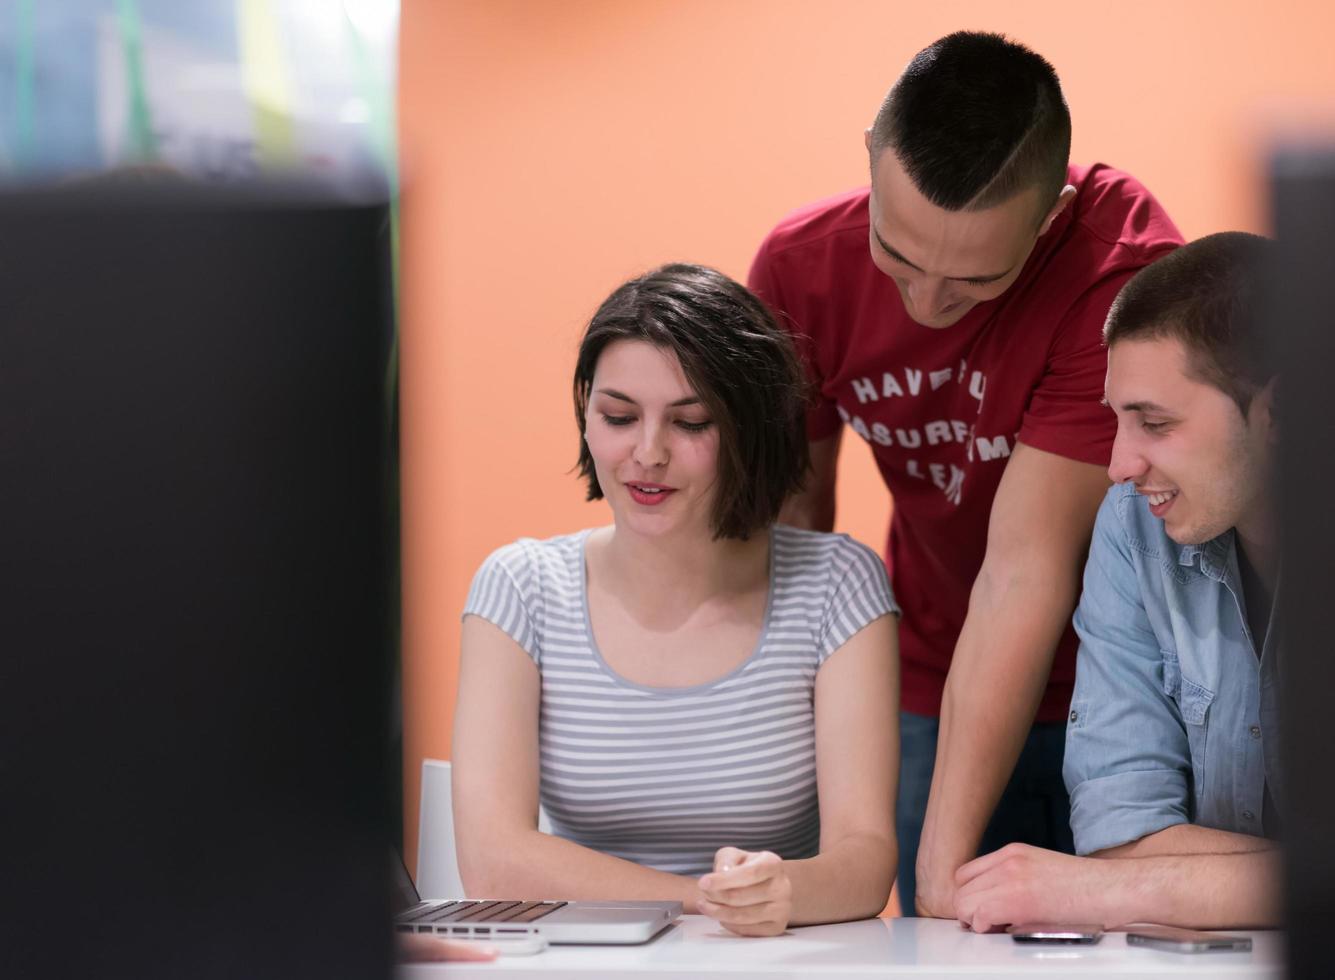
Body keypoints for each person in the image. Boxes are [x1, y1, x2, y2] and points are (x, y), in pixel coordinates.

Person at [747, 31, 1183, 917]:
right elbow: (794, 527)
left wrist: (940, 879)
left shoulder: (1119, 269)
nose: (927, 303)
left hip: (1122, 686)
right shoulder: (798, 269)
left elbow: (1025, 568)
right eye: (898, 255)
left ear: (1051, 218)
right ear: (870, 151)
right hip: (923, 672)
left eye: (976, 280)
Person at [451, 263, 900, 937]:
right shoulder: (520, 586)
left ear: (749, 429)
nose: (647, 453)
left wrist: (786, 891)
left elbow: (865, 863)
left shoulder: (839, 584)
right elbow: (492, 863)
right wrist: (705, 899)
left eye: (690, 423)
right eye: (618, 417)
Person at [951, 232, 1282, 931]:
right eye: (1118, 420)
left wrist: (1098, 892)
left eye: (1155, 424)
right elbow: (1120, 834)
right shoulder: (1132, 527)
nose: (1119, 464)